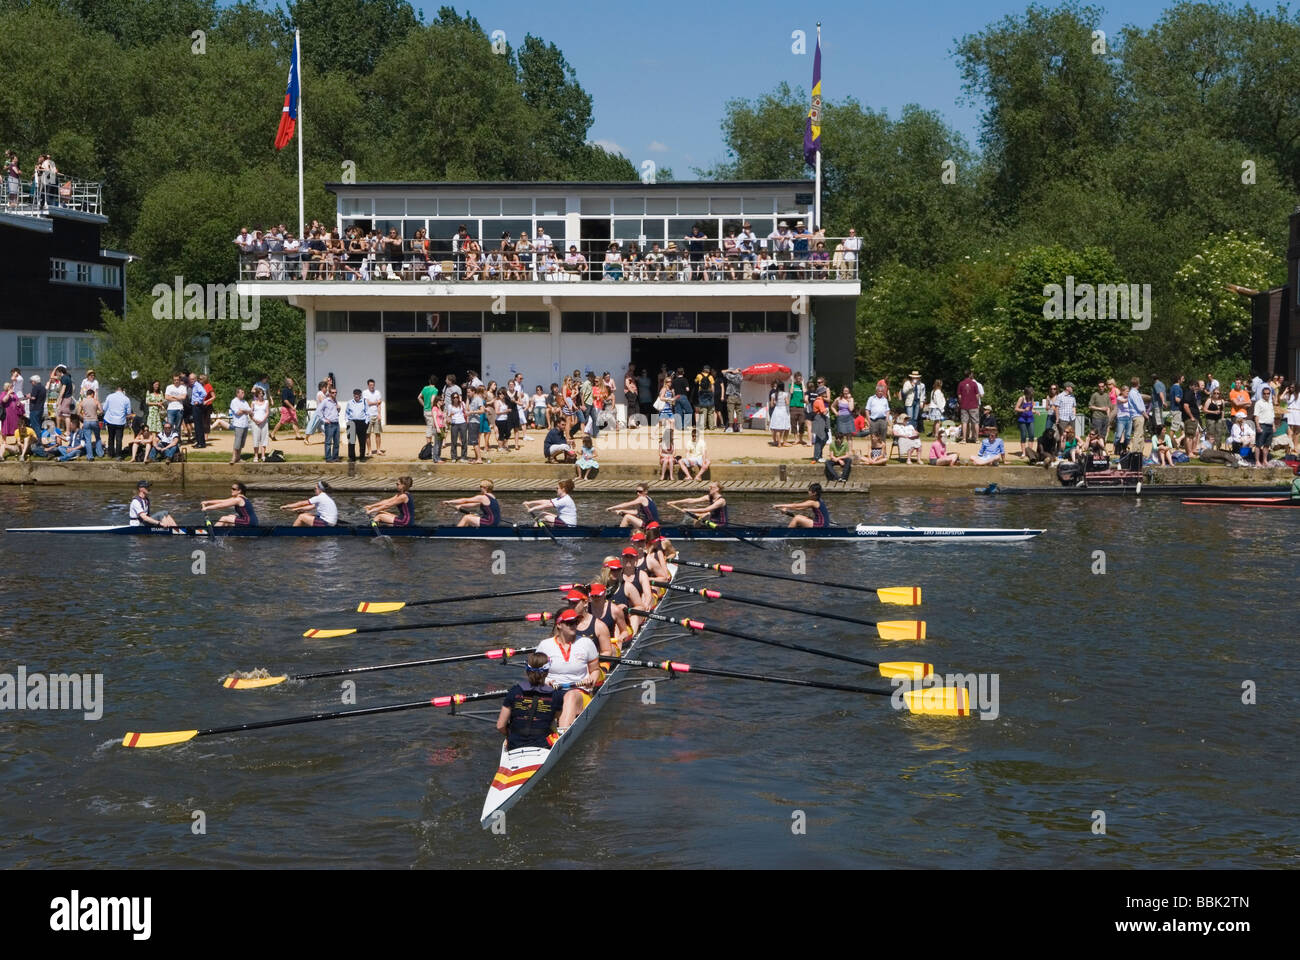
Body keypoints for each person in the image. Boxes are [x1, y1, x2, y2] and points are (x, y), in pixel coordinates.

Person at [533, 609, 602, 732]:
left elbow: (595, 670)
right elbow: (536, 673)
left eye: (576, 622)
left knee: (570, 696)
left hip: (579, 691)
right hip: (553, 690)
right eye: (570, 622)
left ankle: (562, 733)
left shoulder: (586, 643)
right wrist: (546, 680)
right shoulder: (545, 645)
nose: (574, 625)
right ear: (559, 624)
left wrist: (592, 679)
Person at [495, 651, 566, 749]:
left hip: (515, 743)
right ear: (547, 672)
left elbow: (500, 726)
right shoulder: (555, 695)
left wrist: (509, 735)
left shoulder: (514, 691)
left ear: (526, 671)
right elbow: (557, 716)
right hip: (543, 744)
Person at [102, 384, 132, 459]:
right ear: (123, 390)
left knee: (111, 437)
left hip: (110, 420)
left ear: (116, 389)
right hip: (120, 421)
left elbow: (104, 408)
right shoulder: (126, 399)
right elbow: (128, 412)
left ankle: (110, 454)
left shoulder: (110, 396)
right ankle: (118, 455)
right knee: (119, 439)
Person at [345, 388, 369, 462]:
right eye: (355, 395)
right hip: (351, 422)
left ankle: (362, 457)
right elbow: (346, 412)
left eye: (358, 395)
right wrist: (347, 421)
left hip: (362, 423)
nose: (356, 396)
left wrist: (366, 422)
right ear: (353, 395)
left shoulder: (364, 402)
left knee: (362, 441)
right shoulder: (349, 402)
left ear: (360, 395)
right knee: (351, 441)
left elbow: (368, 412)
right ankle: (352, 457)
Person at [1254, 386, 1276, 466]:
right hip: (1262, 425)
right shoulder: (1259, 403)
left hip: (1270, 426)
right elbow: (1256, 416)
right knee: (1258, 444)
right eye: (1265, 394)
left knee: (1267, 445)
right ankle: (1257, 461)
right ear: (1262, 394)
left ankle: (1264, 461)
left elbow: (1272, 416)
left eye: (1268, 394)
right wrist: (1258, 426)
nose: (1266, 395)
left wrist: (1273, 426)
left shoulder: (1270, 403)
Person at [957, 371, 980, 444]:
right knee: (975, 422)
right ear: (970, 375)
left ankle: (964, 439)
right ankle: (977, 439)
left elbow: (959, 396)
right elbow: (977, 395)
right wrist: (977, 403)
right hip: (973, 405)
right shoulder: (974, 383)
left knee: (964, 422)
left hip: (964, 405)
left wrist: (961, 402)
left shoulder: (961, 383)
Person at [361, 378, 383, 456]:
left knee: (378, 433)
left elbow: (379, 404)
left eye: (373, 385)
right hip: (368, 416)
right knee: (368, 434)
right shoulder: (365, 392)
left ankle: (378, 450)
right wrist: (376, 402)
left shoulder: (377, 392)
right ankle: (369, 450)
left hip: (376, 415)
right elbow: (368, 403)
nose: (372, 386)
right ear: (368, 385)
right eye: (370, 385)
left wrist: (379, 414)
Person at [721, 366, 744, 433]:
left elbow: (722, 371)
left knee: (730, 412)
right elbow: (741, 375)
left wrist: (730, 371)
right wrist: (738, 372)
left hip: (731, 396)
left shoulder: (730, 376)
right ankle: (740, 427)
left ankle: (730, 427)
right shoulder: (740, 377)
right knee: (739, 412)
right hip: (738, 396)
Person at [1015, 387, 1035, 459]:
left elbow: (1031, 409)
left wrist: (1035, 411)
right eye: (1030, 393)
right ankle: (1023, 453)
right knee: (1023, 436)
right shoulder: (1021, 398)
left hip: (1030, 419)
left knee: (1032, 435)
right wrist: (1024, 410)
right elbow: (1016, 408)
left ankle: (1030, 452)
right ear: (1027, 393)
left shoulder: (1032, 399)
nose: (1032, 394)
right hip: (1022, 419)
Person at [768, 380, 791, 446]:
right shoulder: (785, 394)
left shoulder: (773, 394)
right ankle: (783, 442)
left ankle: (778, 443)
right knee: (784, 426)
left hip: (776, 410)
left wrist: (775, 402)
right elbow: (787, 403)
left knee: (777, 427)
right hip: (783, 410)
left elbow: (771, 405)